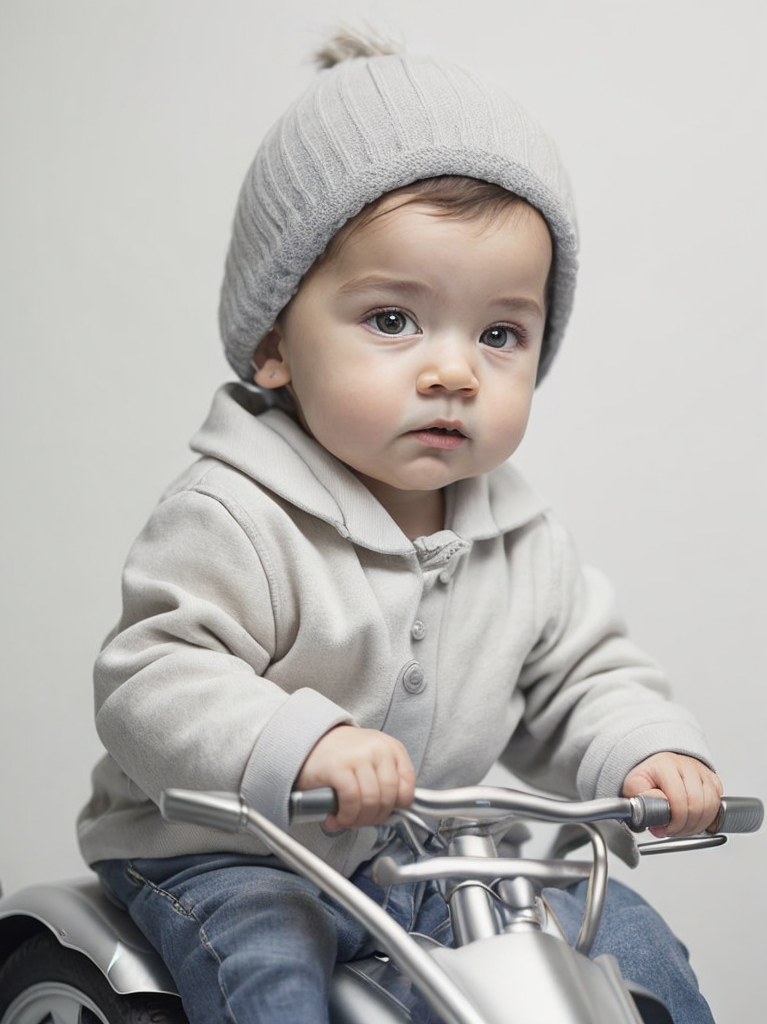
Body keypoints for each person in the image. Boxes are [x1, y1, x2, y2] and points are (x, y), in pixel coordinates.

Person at [77, 28, 723, 1024]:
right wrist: (304, 744)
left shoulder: (521, 537)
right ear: (273, 342)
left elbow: (582, 679)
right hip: (232, 854)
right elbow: (155, 681)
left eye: (500, 332)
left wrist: (645, 752)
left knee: (613, 934)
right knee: (273, 966)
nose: (454, 370)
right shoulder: (234, 512)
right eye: (393, 319)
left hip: (421, 855)